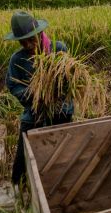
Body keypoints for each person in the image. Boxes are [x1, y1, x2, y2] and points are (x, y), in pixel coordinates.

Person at [4, 11, 73, 185]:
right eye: (23, 41)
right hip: (33, 112)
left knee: (61, 153)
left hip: (60, 110)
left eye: (31, 39)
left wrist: (56, 88)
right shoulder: (17, 60)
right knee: (22, 158)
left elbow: (70, 79)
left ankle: (57, 183)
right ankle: (18, 188)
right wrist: (34, 94)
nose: (28, 45)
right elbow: (13, 86)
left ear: (39, 33)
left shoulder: (58, 49)